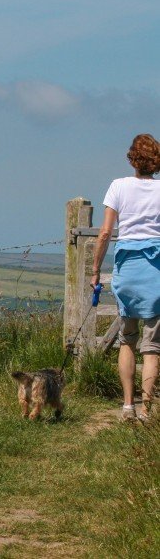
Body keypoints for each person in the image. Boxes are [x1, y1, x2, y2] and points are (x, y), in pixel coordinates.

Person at [91, 133, 160, 421]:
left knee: (127, 339)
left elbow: (106, 232)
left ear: (132, 158)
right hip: (157, 268)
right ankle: (147, 409)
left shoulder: (118, 187)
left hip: (128, 267)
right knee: (153, 345)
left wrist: (95, 271)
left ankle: (127, 406)